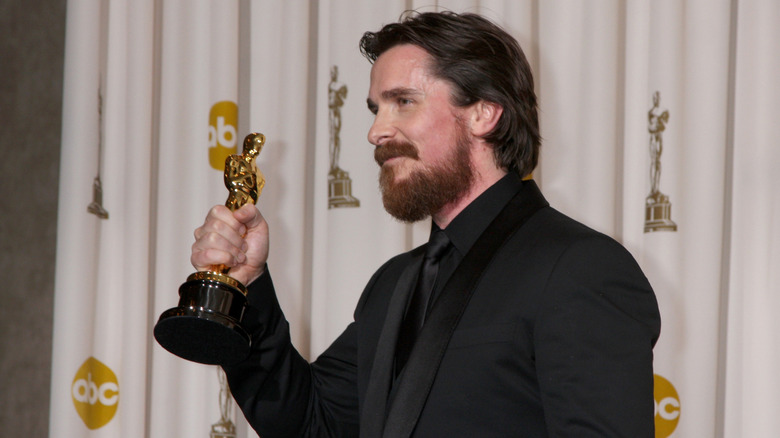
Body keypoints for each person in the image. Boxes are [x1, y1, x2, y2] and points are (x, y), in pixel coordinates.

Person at [190, 11, 661, 437]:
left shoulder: (580, 267)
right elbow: (314, 421)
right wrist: (246, 284)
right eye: (376, 108)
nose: (376, 131)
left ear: (483, 113)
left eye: (404, 102)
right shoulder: (395, 283)